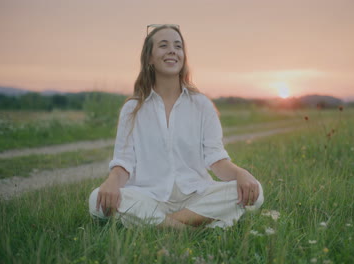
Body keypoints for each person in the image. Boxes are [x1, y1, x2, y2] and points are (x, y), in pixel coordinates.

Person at [89, 24, 264, 229]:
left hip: (195, 196)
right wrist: (111, 181)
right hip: (149, 197)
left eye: (178, 46)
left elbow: (216, 159)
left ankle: (162, 225)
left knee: (255, 191)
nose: (172, 50)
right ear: (149, 58)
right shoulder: (132, 108)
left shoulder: (202, 105)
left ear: (183, 56)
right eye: (163, 45)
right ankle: (193, 226)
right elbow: (124, 163)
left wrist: (240, 173)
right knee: (96, 200)